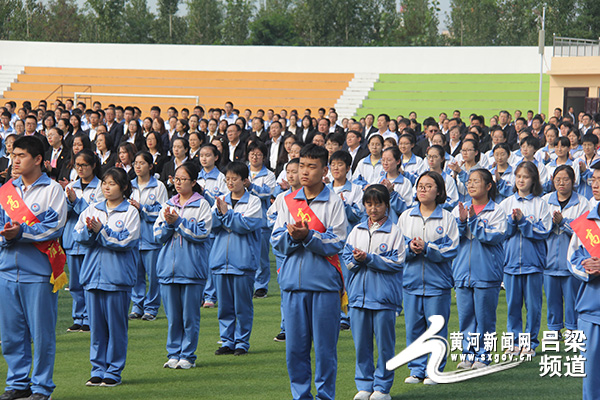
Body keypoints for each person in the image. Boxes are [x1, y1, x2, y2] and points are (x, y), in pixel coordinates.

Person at [271, 144, 348, 400]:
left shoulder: (334, 202)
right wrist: (295, 238)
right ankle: (301, 396)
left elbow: (337, 242)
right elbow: (276, 239)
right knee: (295, 350)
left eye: (312, 167)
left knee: (326, 350)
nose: (305, 172)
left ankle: (325, 396)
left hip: (324, 285)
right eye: (302, 165)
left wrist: (308, 236)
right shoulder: (287, 201)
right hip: (293, 284)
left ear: (324, 170)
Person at [0, 136, 67, 400]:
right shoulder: (6, 190)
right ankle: (17, 382)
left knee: (41, 334)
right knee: (11, 333)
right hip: (6, 270)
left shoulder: (52, 190)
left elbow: (54, 227)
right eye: (13, 155)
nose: (15, 160)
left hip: (38, 272)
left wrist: (21, 232)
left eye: (21, 155)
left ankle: (41, 387)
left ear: (38, 159)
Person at [74, 167, 140, 387]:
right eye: (104, 183)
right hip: (93, 276)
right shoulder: (92, 209)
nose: (107, 187)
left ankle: (113, 370)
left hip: (117, 278)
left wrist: (101, 231)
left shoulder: (129, 212)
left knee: (116, 327)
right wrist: (90, 232)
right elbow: (78, 234)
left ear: (123, 187)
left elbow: (125, 242)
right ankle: (97, 369)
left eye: (112, 184)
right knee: (97, 328)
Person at [342, 185, 405, 400]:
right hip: (359, 297)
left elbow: (397, 263)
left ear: (386, 205)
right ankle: (364, 385)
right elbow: (347, 258)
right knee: (361, 345)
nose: (373, 208)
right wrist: (358, 261)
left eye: (378, 204)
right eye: (369, 204)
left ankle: (383, 387)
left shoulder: (394, 231)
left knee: (385, 345)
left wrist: (369, 259)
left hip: (384, 298)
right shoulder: (357, 230)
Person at [399, 171, 458, 385]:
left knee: (436, 329)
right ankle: (416, 370)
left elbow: (451, 249)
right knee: (414, 328)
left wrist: (427, 248)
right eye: (420, 186)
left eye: (428, 186)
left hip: (437, 284)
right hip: (411, 282)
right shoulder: (406, 216)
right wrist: (409, 248)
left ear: (439, 191)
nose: (423, 189)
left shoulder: (447, 217)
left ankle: (434, 370)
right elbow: (397, 248)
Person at [153, 162, 212, 369]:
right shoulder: (168, 204)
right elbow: (157, 234)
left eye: (183, 179)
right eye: (175, 179)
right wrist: (170, 225)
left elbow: (201, 233)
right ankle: (173, 353)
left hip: (192, 269)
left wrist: (178, 222)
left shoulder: (202, 204)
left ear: (193, 182)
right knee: (173, 316)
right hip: (167, 268)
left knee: (190, 317)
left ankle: (188, 355)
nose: (178, 183)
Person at [452, 169, 506, 369]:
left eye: (476, 181)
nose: (471, 185)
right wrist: (461, 222)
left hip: (486, 272)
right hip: (462, 272)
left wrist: (473, 220)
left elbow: (492, 237)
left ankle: (483, 355)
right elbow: (452, 238)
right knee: (466, 316)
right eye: (469, 181)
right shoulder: (459, 208)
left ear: (488, 186)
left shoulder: (496, 211)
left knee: (484, 317)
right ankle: (468, 354)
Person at [498, 161, 551, 355]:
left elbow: (544, 231)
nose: (521, 180)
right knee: (512, 305)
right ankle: (513, 341)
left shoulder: (541, 204)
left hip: (533, 264)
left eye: (526, 176)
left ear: (533, 180)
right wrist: (513, 222)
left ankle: (529, 342)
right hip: (510, 263)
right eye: (518, 176)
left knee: (533, 306)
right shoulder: (506, 203)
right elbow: (502, 232)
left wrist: (523, 222)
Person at [210, 161, 262, 356]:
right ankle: (227, 340)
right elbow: (211, 225)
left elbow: (245, 226)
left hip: (242, 262)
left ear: (244, 180)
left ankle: (242, 342)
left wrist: (226, 215)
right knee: (224, 306)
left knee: (243, 305)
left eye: (234, 179)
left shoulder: (253, 202)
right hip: (220, 261)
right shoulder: (221, 199)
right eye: (227, 179)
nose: (230, 182)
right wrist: (222, 214)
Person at [542, 165, 588, 336]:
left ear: (573, 181)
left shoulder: (582, 202)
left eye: (565, 179)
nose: (561, 183)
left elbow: (583, 230)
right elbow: (540, 227)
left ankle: (572, 328)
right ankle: (554, 330)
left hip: (571, 260)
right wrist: (551, 224)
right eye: (557, 179)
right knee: (552, 298)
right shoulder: (545, 200)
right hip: (548, 259)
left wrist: (563, 222)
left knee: (572, 298)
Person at [567, 163, 600, 400]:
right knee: (590, 376)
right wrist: (588, 269)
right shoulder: (586, 222)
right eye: (593, 180)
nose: (596, 185)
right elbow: (572, 258)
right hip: (591, 309)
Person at [63, 149, 104, 333]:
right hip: (73, 240)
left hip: (90, 241)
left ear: (93, 166)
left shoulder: (101, 187)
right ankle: (78, 317)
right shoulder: (71, 186)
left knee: (89, 281)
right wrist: (70, 202)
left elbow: (96, 213)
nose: (80, 169)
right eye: (77, 165)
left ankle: (89, 318)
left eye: (84, 165)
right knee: (75, 284)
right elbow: (63, 213)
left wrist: (77, 202)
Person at [129, 152, 169, 321]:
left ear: (150, 166)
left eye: (142, 163)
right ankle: (137, 306)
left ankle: (151, 308)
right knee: (135, 275)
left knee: (153, 276)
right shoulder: (128, 185)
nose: (138, 166)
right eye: (136, 163)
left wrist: (142, 208)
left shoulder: (158, 186)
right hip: (133, 237)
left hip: (151, 238)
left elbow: (162, 211)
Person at [267, 159, 302, 342]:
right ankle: (285, 327)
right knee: (285, 289)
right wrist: (282, 227)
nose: (290, 175)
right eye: (288, 171)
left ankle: (300, 327)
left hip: (302, 249)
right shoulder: (281, 198)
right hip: (283, 252)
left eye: (294, 171)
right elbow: (270, 217)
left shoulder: (307, 198)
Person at [245, 141, 276, 298]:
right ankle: (248, 284)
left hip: (261, 220)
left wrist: (250, 186)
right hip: (243, 218)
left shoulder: (269, 175)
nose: (255, 157)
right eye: (252, 154)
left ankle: (261, 285)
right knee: (245, 254)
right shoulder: (242, 171)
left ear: (263, 157)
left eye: (258, 154)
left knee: (261, 256)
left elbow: (266, 194)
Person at [426, 145, 459, 211]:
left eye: (435, 157)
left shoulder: (448, 180)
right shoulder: (422, 177)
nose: (431, 159)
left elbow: (452, 201)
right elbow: (414, 196)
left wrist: (434, 206)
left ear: (442, 159)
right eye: (429, 156)